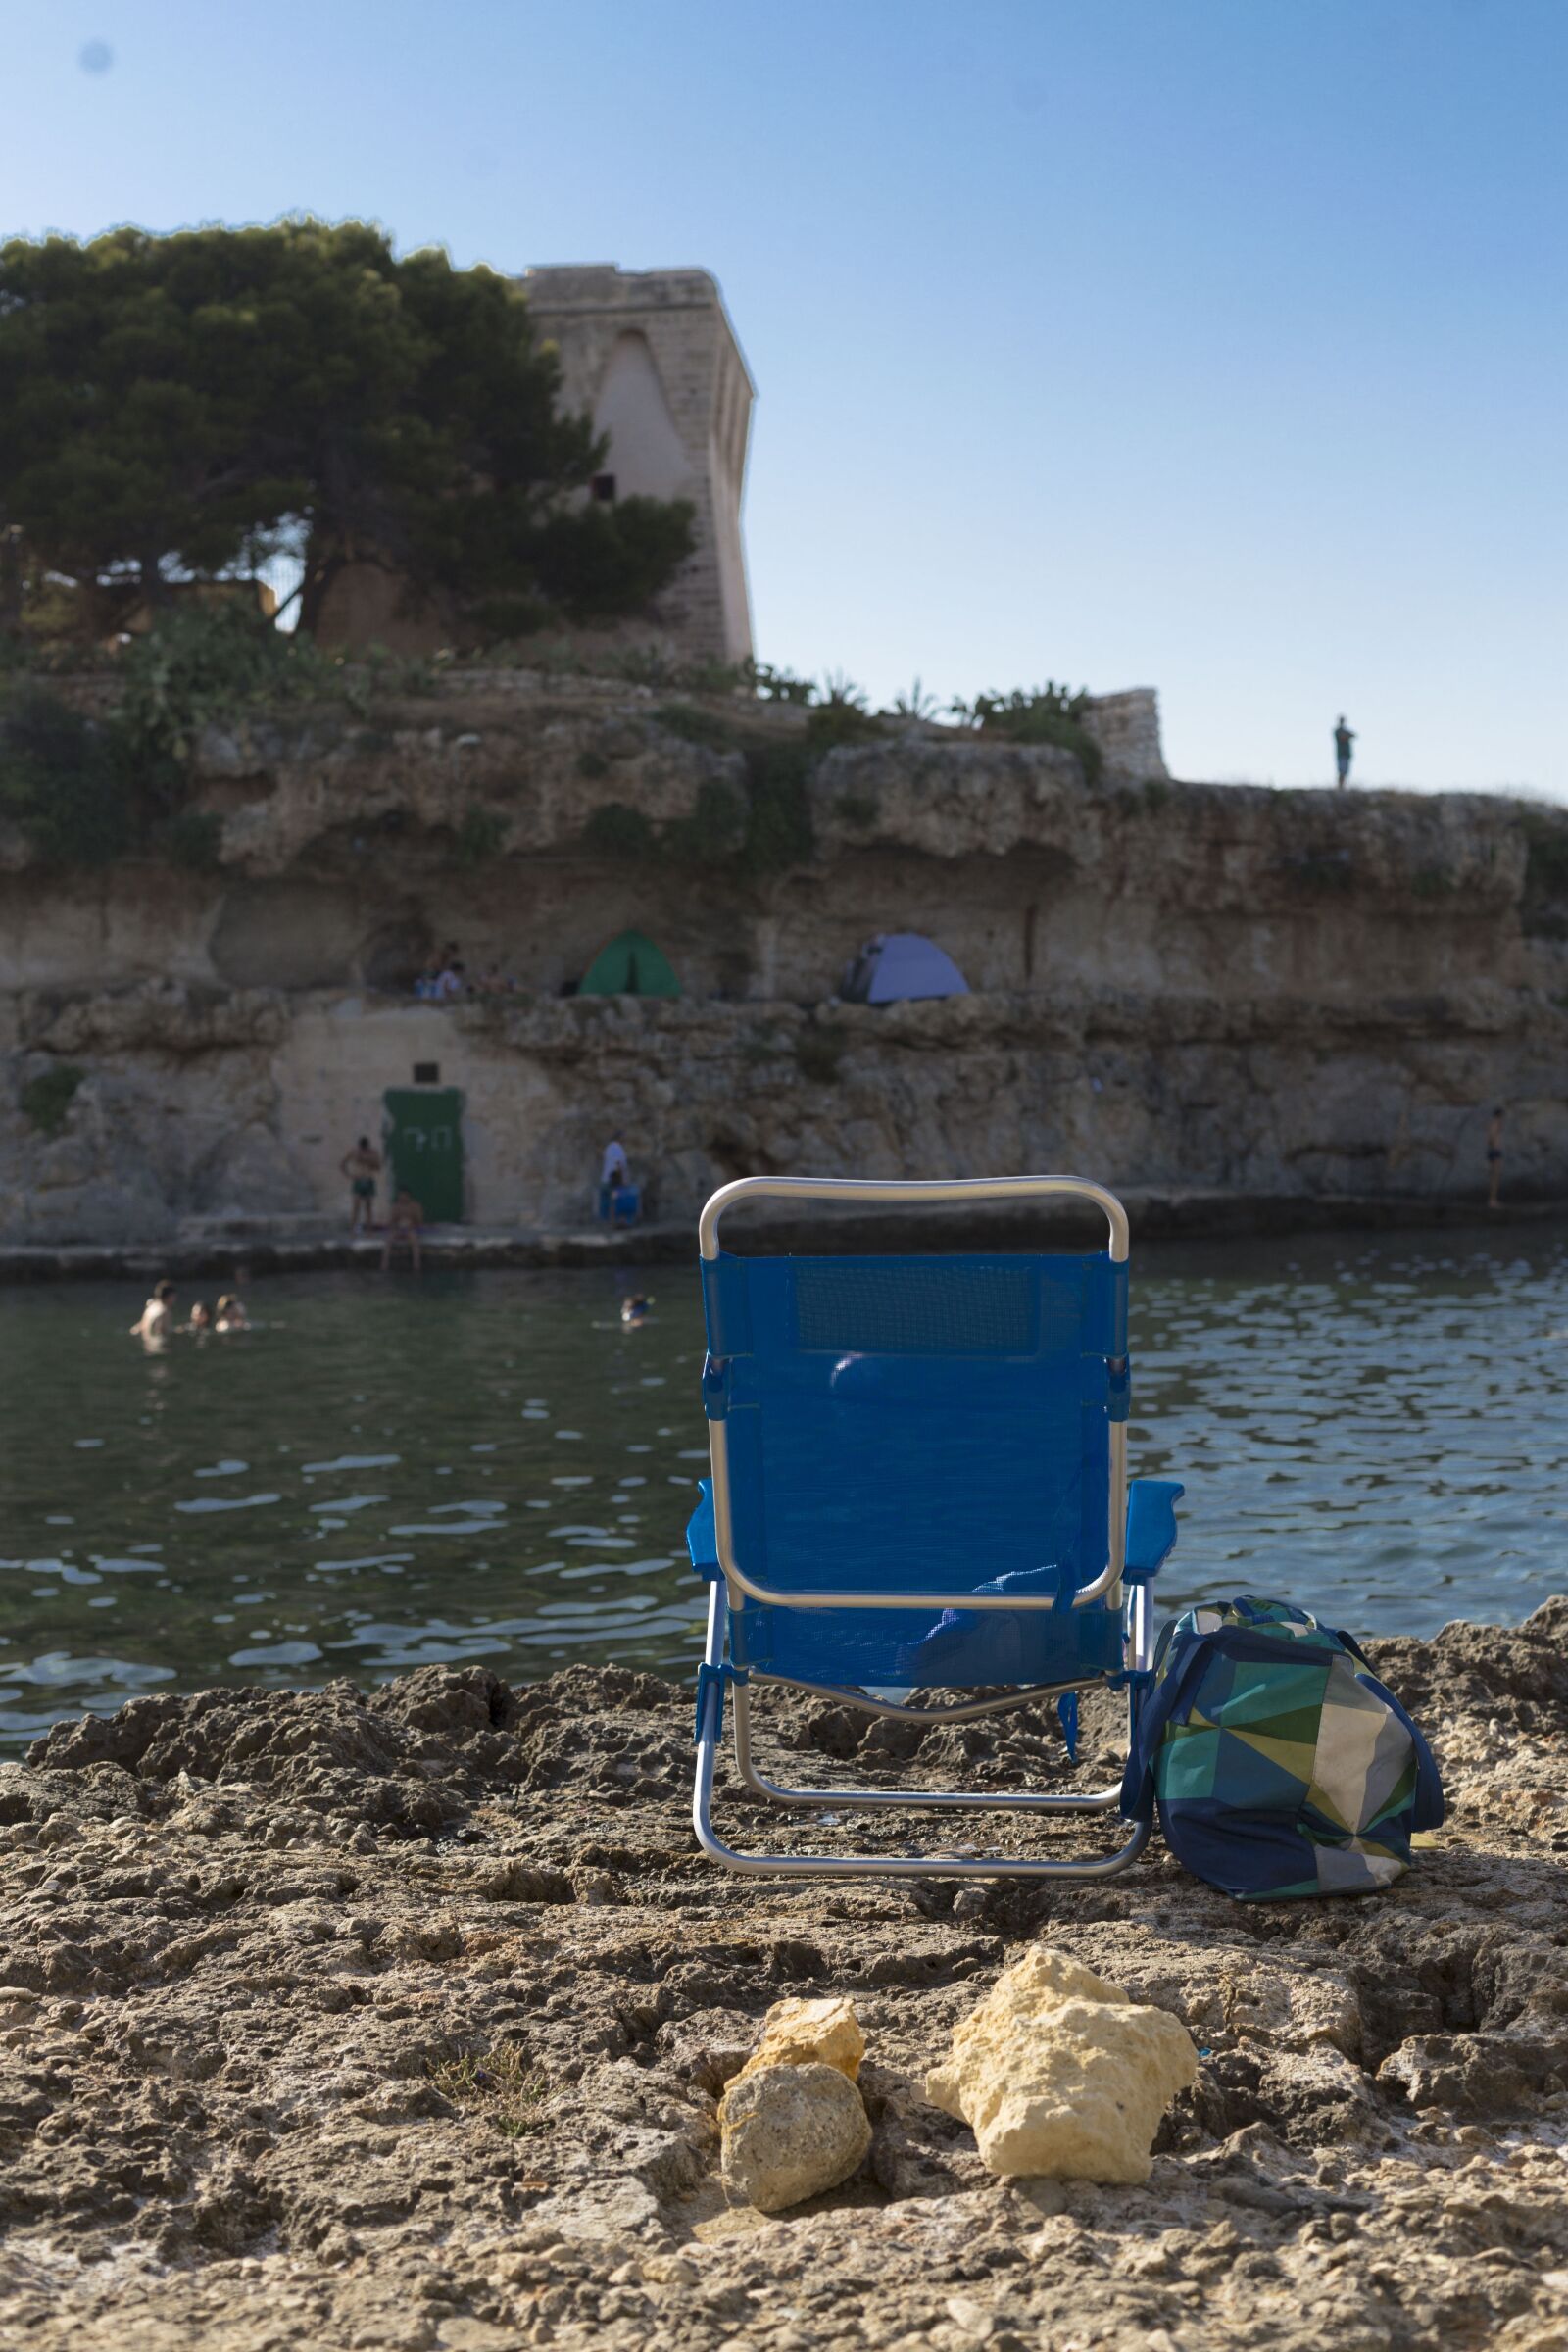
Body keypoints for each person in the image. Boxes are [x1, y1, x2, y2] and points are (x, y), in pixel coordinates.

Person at [340, 1135, 381, 1231]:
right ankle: (352, 1229)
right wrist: (349, 1176)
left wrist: (368, 1160)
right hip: (358, 1180)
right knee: (356, 1206)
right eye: (362, 1148)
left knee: (368, 1207)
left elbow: (378, 1167)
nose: (363, 1150)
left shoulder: (373, 1153)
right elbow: (342, 1164)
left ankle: (369, 1230)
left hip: (369, 1179)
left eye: (365, 1148)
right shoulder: (354, 1152)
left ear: (368, 1146)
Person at [381, 1185, 424, 1272]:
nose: (402, 1197)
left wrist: (410, 1223)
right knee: (389, 1239)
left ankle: (416, 1264)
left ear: (408, 1196)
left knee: (414, 1239)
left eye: (404, 1195)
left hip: (411, 1229)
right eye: (401, 1195)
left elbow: (420, 1222)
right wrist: (398, 1224)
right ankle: (384, 1263)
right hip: (398, 1229)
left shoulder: (415, 1206)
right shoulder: (396, 1207)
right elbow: (391, 1222)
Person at [1487, 1105, 1504, 1208]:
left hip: (1493, 1151)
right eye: (1502, 1116)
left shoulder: (1492, 1124)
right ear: (1500, 1115)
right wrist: (1495, 1146)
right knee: (1495, 1177)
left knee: (1494, 1177)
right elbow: (1491, 1138)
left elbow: (1489, 1139)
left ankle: (1492, 1200)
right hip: (1495, 1151)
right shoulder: (1495, 1124)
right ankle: (1492, 1201)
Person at [1334, 715, 1356, 790]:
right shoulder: (1337, 731)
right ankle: (1340, 786)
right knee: (1341, 771)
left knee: (1345, 771)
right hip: (1341, 754)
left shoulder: (1345, 731)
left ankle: (1342, 786)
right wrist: (1347, 736)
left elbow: (1354, 735)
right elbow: (1342, 737)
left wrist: (1347, 735)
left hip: (1347, 754)